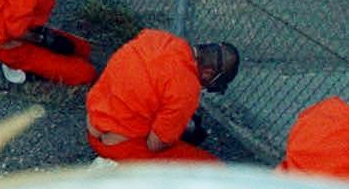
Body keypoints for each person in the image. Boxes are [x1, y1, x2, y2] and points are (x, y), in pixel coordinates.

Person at [84, 30, 239, 164]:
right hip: (117, 148)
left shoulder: (157, 37)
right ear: (208, 73)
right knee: (213, 167)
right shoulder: (187, 87)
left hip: (93, 126)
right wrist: (176, 132)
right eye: (211, 84)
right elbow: (155, 145)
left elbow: (150, 84)